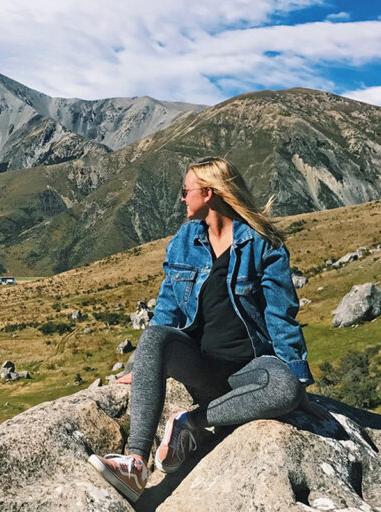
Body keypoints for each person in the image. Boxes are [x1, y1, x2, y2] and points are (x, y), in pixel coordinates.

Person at [88, 157, 316, 502]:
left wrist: (296, 380)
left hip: (250, 369)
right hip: (201, 365)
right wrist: (142, 366)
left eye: (186, 191)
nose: (182, 198)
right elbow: (166, 309)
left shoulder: (262, 244)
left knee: (286, 388)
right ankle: (136, 463)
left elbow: (281, 316)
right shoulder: (184, 240)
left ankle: (190, 422)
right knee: (154, 336)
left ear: (208, 193)